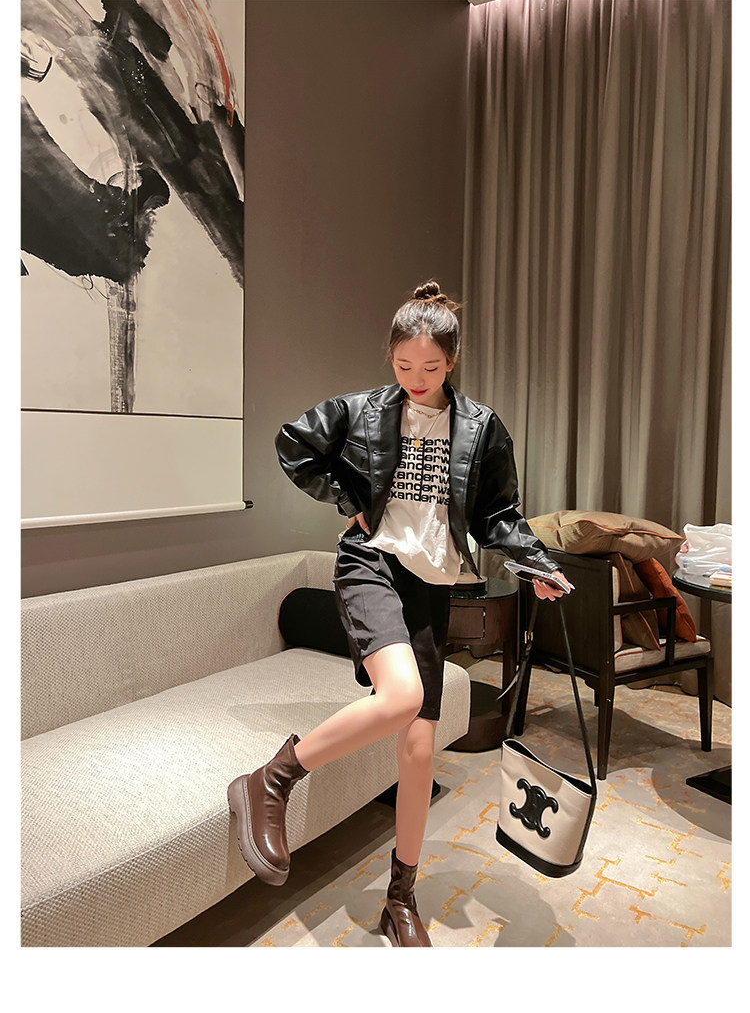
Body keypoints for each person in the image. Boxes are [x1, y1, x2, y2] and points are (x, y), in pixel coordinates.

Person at [227, 280, 571, 947]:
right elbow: (293, 444)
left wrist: (535, 562)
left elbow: (497, 513)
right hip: (371, 564)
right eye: (404, 364)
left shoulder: (480, 427)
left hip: (430, 585)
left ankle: (400, 899)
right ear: (390, 356)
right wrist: (348, 498)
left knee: (417, 749)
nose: (416, 378)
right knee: (404, 695)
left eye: (431, 367)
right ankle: (272, 779)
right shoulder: (362, 411)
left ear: (452, 362)